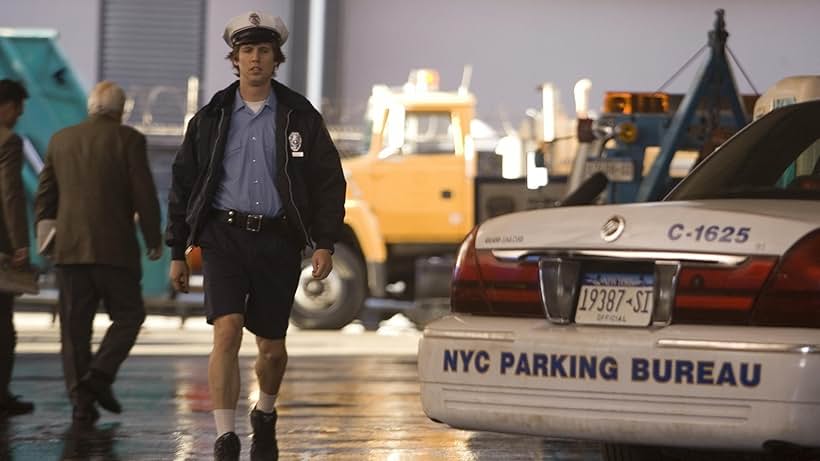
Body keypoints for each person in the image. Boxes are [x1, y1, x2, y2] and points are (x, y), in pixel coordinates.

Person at [166, 11, 346, 461]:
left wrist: (324, 241)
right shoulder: (211, 118)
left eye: (264, 51)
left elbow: (329, 181)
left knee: (272, 347)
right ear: (235, 58)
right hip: (223, 238)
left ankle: (264, 412)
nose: (255, 60)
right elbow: (183, 184)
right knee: (226, 332)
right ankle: (225, 436)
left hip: (277, 241)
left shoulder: (300, 116)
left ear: (275, 59)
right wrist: (176, 249)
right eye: (247, 51)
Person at [34, 81, 163, 424]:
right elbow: (144, 195)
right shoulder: (129, 140)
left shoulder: (61, 140)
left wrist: (44, 240)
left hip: (70, 252)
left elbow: (45, 197)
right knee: (130, 316)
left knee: (74, 329)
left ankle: (81, 402)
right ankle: (99, 377)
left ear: (91, 107)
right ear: (121, 111)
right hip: (115, 250)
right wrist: (153, 238)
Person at [0, 79, 34, 417]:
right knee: (2, 327)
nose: (20, 115)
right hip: (0, 246)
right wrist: (20, 245)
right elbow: (10, 194)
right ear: (7, 106)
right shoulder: (7, 141)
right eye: (18, 108)